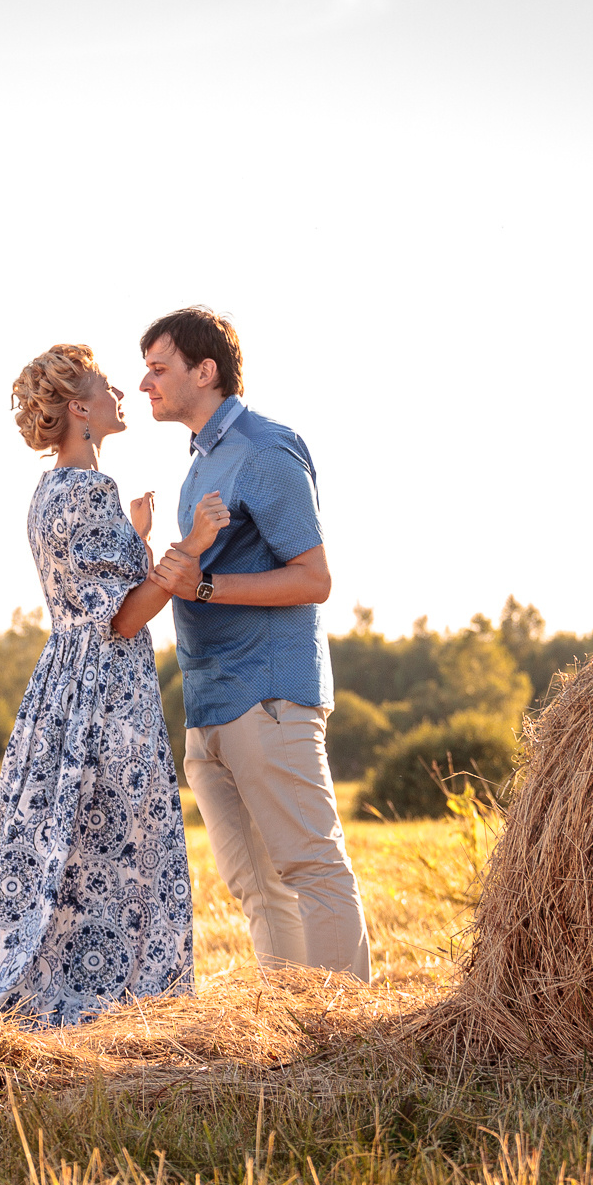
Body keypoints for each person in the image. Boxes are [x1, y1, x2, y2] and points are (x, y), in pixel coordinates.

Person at [0, 343, 229, 1028]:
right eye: (105, 383)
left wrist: (135, 537)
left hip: (64, 689)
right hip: (107, 696)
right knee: (121, 845)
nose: (123, 388)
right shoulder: (91, 492)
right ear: (80, 409)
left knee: (76, 849)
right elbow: (118, 618)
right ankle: (123, 997)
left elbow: (93, 595)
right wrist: (191, 547)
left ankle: (69, 986)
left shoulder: (51, 493)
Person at [141, 307, 372, 982]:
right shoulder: (200, 464)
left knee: (313, 868)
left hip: (267, 695)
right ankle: (295, 1045)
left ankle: (350, 1044)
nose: (146, 381)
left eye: (159, 367)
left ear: (203, 370)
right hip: (210, 705)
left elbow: (314, 577)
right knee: (258, 889)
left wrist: (205, 585)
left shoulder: (266, 449)